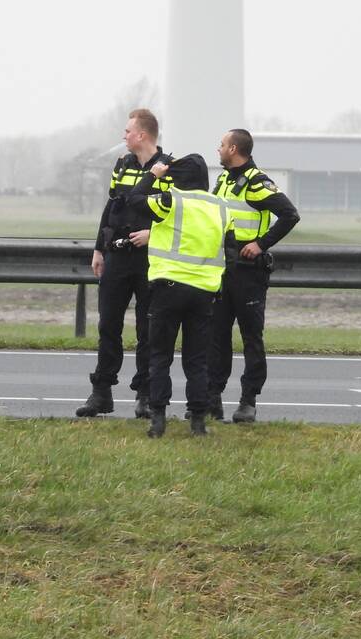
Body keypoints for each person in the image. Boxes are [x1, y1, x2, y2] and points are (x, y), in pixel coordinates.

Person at [121, 153, 236, 438]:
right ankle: (198, 422)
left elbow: (133, 199)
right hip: (204, 292)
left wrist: (154, 175)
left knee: (160, 355)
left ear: (179, 179)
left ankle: (158, 419)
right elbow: (230, 248)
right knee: (197, 360)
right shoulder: (222, 207)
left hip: (168, 289)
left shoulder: (172, 201)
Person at [75, 109, 174, 419]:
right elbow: (111, 207)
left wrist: (154, 234)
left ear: (142, 135)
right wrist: (98, 249)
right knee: (108, 325)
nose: (124, 136)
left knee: (148, 330)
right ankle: (101, 392)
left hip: (151, 260)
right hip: (117, 256)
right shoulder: (122, 165)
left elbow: (180, 215)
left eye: (128, 131)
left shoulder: (171, 168)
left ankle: (144, 395)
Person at [206, 129, 300, 423]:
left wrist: (261, 244)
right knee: (216, 337)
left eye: (221, 145)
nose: (218, 148)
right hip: (222, 269)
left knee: (251, 338)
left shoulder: (257, 182)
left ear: (233, 149)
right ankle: (213, 399)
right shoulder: (222, 180)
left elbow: (289, 215)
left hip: (248, 274)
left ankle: (248, 401)